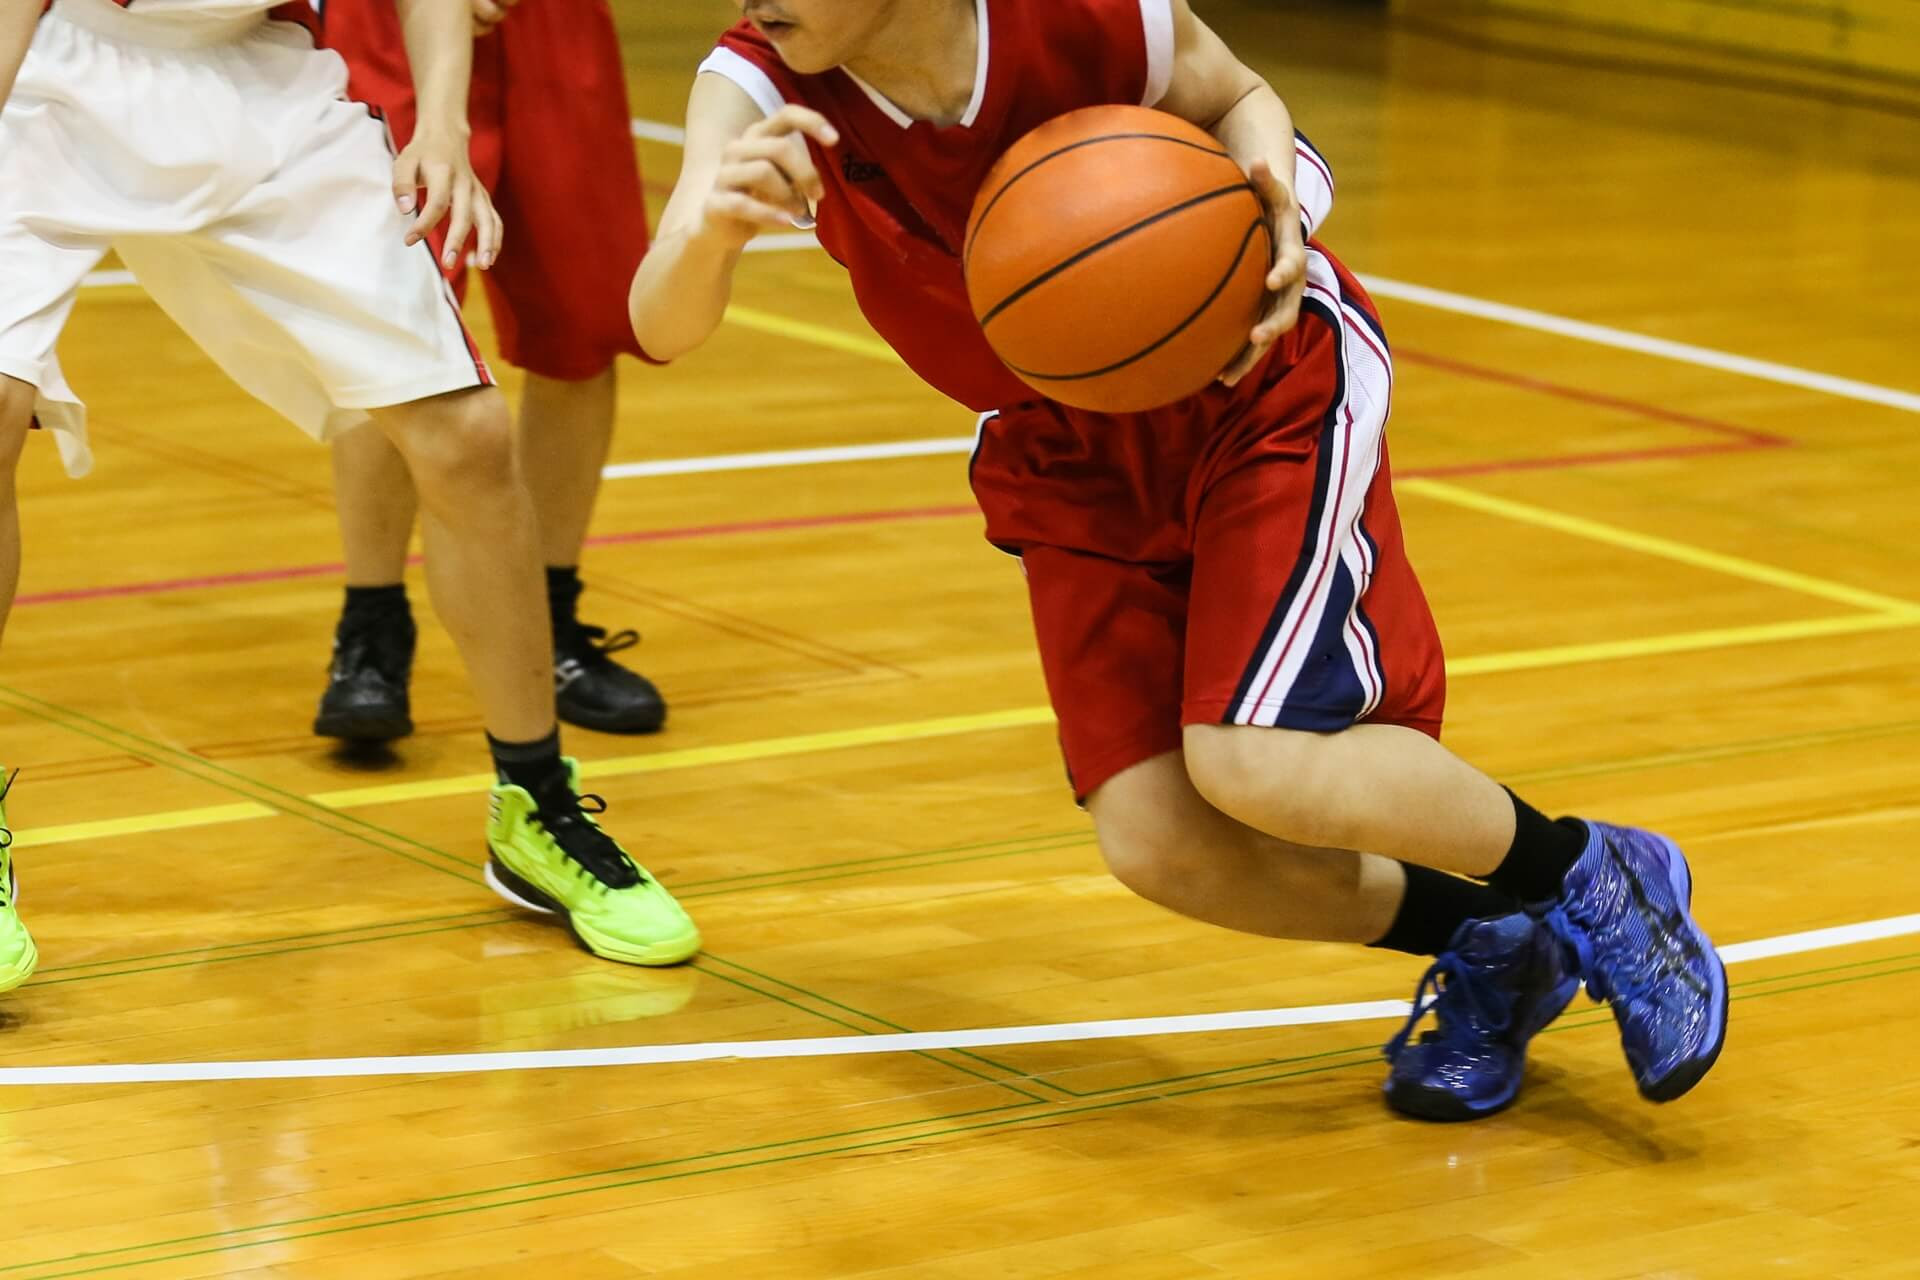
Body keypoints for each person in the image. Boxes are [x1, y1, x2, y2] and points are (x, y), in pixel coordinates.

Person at [630, 0, 1729, 1119]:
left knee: (1256, 758)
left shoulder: (1076, 17)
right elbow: (658, 321)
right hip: (1063, 447)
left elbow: (1239, 93)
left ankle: (1591, 872)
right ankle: (1497, 942)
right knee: (1160, 841)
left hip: (1249, 381)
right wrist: (709, 234)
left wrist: (1275, 206)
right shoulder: (760, 82)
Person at [0, 0, 701, 989]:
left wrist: (443, 126)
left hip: (265, 84)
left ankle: (535, 806)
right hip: (46, 73)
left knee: (467, 438)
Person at [312, 0, 669, 745]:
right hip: (389, 22)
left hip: (553, 26)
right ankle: (370, 632)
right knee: (386, 326)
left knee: (584, 325)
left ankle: (550, 623)